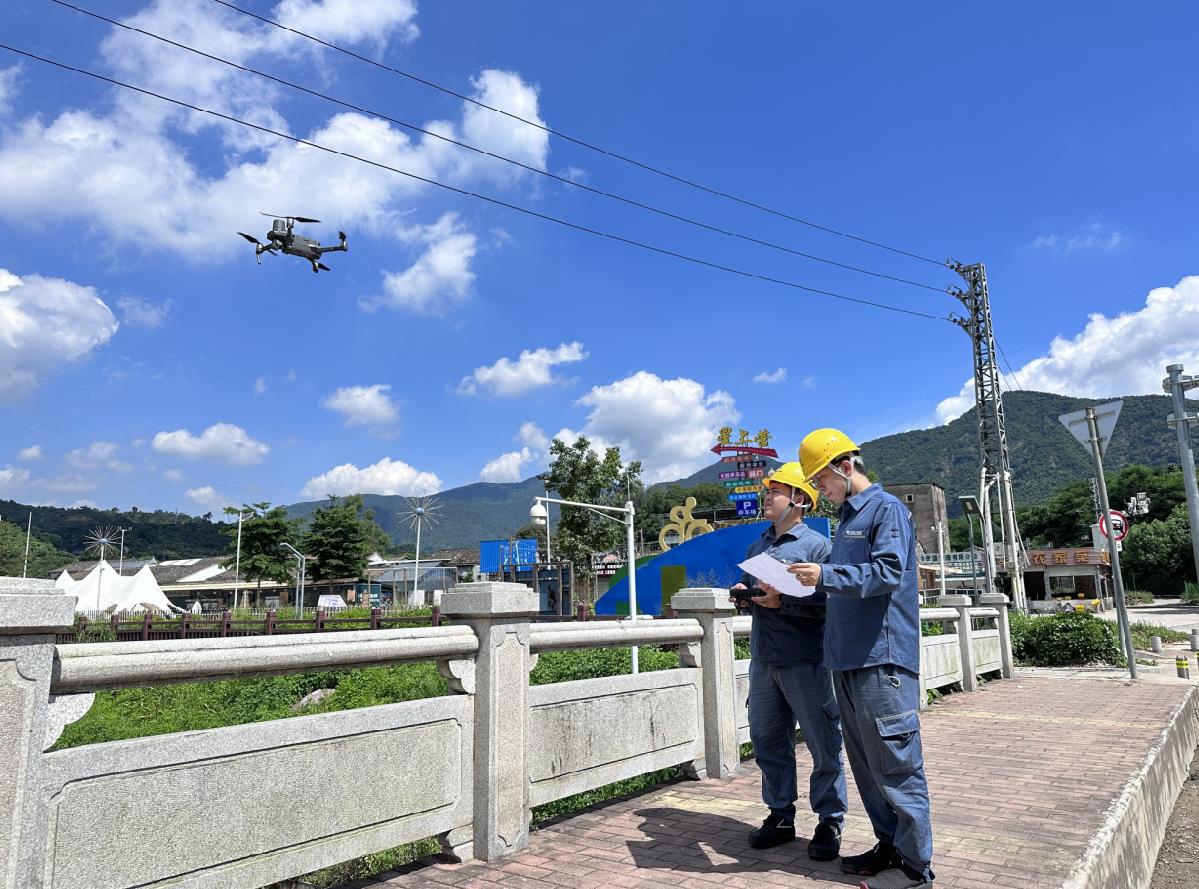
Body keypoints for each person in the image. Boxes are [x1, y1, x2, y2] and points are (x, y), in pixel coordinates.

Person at [789, 429, 935, 889]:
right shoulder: (848, 519)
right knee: (868, 768)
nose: (821, 493)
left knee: (896, 765)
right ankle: (888, 845)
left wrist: (826, 573)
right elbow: (845, 584)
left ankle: (915, 870)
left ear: (845, 467)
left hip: (881, 661)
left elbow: (890, 571)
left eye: (822, 481)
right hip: (847, 661)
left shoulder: (886, 509)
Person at [730, 462, 847, 861]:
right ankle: (780, 814)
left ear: (799, 500)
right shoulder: (757, 546)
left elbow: (832, 601)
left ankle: (830, 820)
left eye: (775, 492)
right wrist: (744, 595)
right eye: (768, 492)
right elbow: (758, 598)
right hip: (764, 659)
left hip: (807, 661)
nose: (766, 498)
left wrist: (786, 600)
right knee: (767, 741)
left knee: (822, 744)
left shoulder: (818, 548)